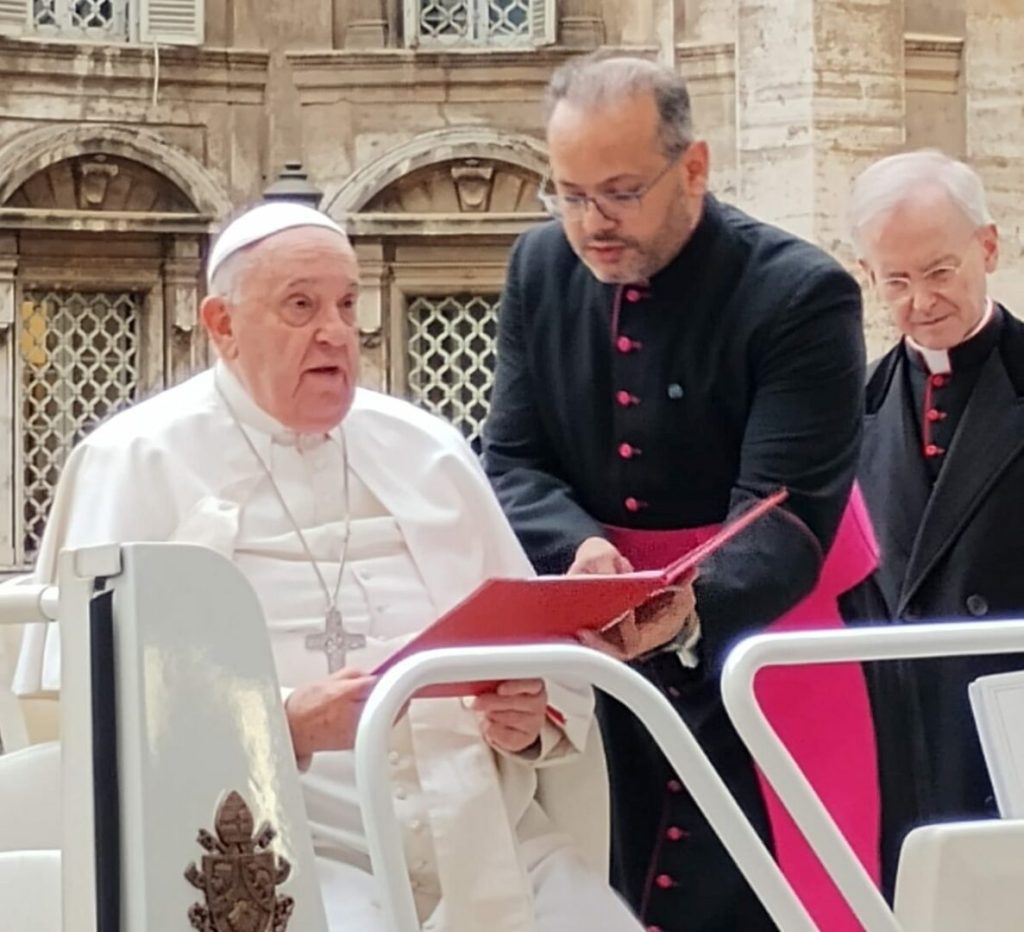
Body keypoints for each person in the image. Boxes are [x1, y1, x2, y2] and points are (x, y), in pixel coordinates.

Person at [12, 202, 644, 932]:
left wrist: (527, 719)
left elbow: (539, 662)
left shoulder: (426, 449)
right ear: (221, 326)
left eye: (347, 304)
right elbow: (90, 710)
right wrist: (280, 722)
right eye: (301, 306)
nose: (335, 332)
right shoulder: (136, 459)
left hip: (486, 841)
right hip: (275, 851)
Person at [481, 53, 881, 931]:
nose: (592, 224)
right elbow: (510, 459)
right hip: (596, 637)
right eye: (570, 194)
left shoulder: (799, 293)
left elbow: (787, 515)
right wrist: (579, 550)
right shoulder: (538, 269)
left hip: (761, 634)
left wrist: (686, 605)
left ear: (693, 168)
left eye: (620, 192)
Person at [849, 148, 1024, 888]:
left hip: (1007, 733)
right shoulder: (850, 410)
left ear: (987, 247)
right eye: (896, 281)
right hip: (906, 749)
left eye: (939, 271)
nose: (920, 301)